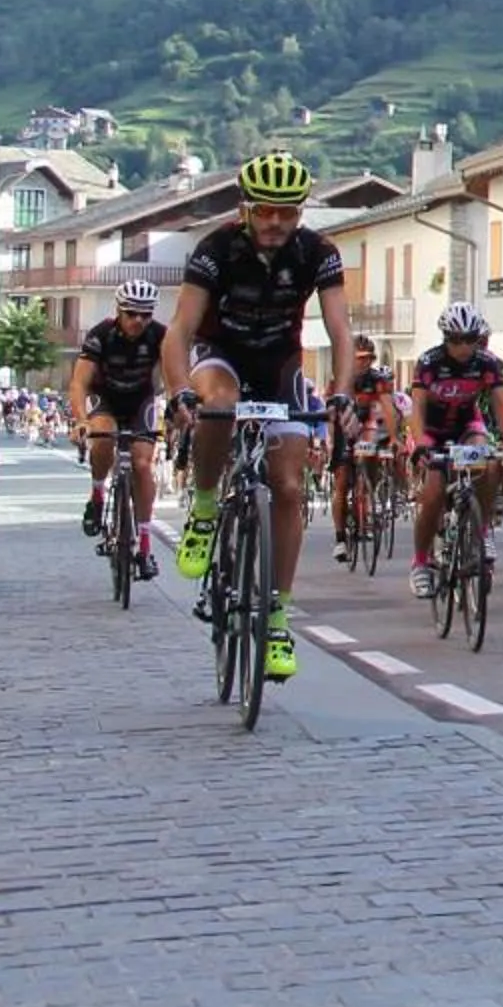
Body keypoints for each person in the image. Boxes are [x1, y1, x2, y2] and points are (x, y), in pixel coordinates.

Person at [165, 150, 352, 682]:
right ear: (246, 209)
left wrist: (340, 394)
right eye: (265, 211)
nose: (275, 223)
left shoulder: (319, 252)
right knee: (218, 404)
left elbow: (340, 329)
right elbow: (180, 329)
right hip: (220, 355)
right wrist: (180, 390)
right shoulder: (216, 248)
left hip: (280, 364)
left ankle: (276, 617)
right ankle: (204, 510)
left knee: (289, 486)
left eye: (287, 213)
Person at [406, 304, 503, 596]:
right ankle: (420, 562)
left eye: (471, 339)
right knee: (432, 496)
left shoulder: (487, 363)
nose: (464, 346)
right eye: (457, 340)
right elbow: (415, 409)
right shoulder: (429, 362)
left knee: (490, 461)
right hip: (433, 431)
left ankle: (482, 531)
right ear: (445, 338)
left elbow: (501, 405)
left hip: (467, 426)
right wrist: (420, 445)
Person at [69, 279, 167, 579]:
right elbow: (79, 383)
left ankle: (145, 547)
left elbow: (174, 377)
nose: (139, 320)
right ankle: (97, 496)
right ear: (118, 311)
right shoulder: (101, 335)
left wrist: (177, 408)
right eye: (132, 313)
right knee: (102, 441)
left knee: (141, 463)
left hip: (141, 401)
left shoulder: (160, 335)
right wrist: (81, 420)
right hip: (106, 399)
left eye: (146, 314)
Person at [329, 335, 406, 563]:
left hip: (367, 424)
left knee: (370, 455)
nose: (364, 363)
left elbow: (388, 408)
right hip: (344, 425)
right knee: (342, 483)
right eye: (359, 358)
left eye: (368, 358)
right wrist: (331, 440)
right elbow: (330, 414)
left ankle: (368, 493)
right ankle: (340, 538)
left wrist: (394, 437)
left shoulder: (377, 379)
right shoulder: (339, 379)